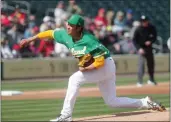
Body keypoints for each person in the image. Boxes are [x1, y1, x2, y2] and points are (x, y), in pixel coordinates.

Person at [19, 14, 165, 122]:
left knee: (74, 79)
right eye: (67, 23)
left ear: (79, 28)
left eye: (71, 25)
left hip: (104, 65)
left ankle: (66, 115)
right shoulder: (65, 35)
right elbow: (50, 33)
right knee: (111, 101)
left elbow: (100, 61)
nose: (68, 26)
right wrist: (31, 39)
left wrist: (86, 69)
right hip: (103, 67)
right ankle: (146, 102)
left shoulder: (89, 40)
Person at [133, 15, 157, 87]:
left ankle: (151, 79)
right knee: (141, 65)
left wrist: (150, 41)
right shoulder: (138, 29)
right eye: (143, 21)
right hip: (141, 48)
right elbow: (134, 40)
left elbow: (154, 37)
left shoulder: (151, 28)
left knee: (151, 64)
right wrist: (139, 48)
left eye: (145, 21)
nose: (144, 22)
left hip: (149, 48)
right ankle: (140, 81)